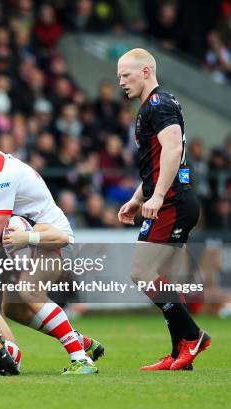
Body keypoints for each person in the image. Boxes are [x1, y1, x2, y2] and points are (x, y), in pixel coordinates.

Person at [0, 122, 98, 374]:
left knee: (29, 290)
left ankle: (81, 361)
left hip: (51, 239)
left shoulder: (1, 177)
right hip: (31, 240)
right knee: (13, 307)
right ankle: (79, 341)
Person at [116, 48, 210, 370]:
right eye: (118, 77)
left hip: (172, 202)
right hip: (171, 200)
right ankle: (179, 354)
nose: (121, 82)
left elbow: (172, 150)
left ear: (145, 72)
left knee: (141, 273)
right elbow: (156, 164)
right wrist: (137, 198)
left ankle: (194, 336)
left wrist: (156, 197)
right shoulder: (149, 107)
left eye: (125, 75)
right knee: (161, 278)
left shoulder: (159, 104)